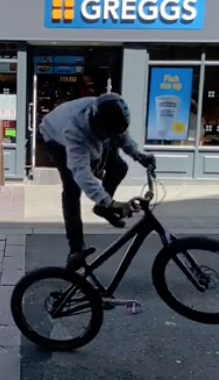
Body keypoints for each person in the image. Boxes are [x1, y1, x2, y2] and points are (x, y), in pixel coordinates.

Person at [39, 92, 155, 269]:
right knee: (72, 189)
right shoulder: (74, 131)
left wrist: (139, 156)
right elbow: (81, 173)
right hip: (55, 137)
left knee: (119, 167)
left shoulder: (106, 111)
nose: (107, 137)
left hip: (82, 128)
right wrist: (110, 201)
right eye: (106, 133)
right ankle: (75, 249)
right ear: (96, 124)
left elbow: (121, 136)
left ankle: (102, 208)